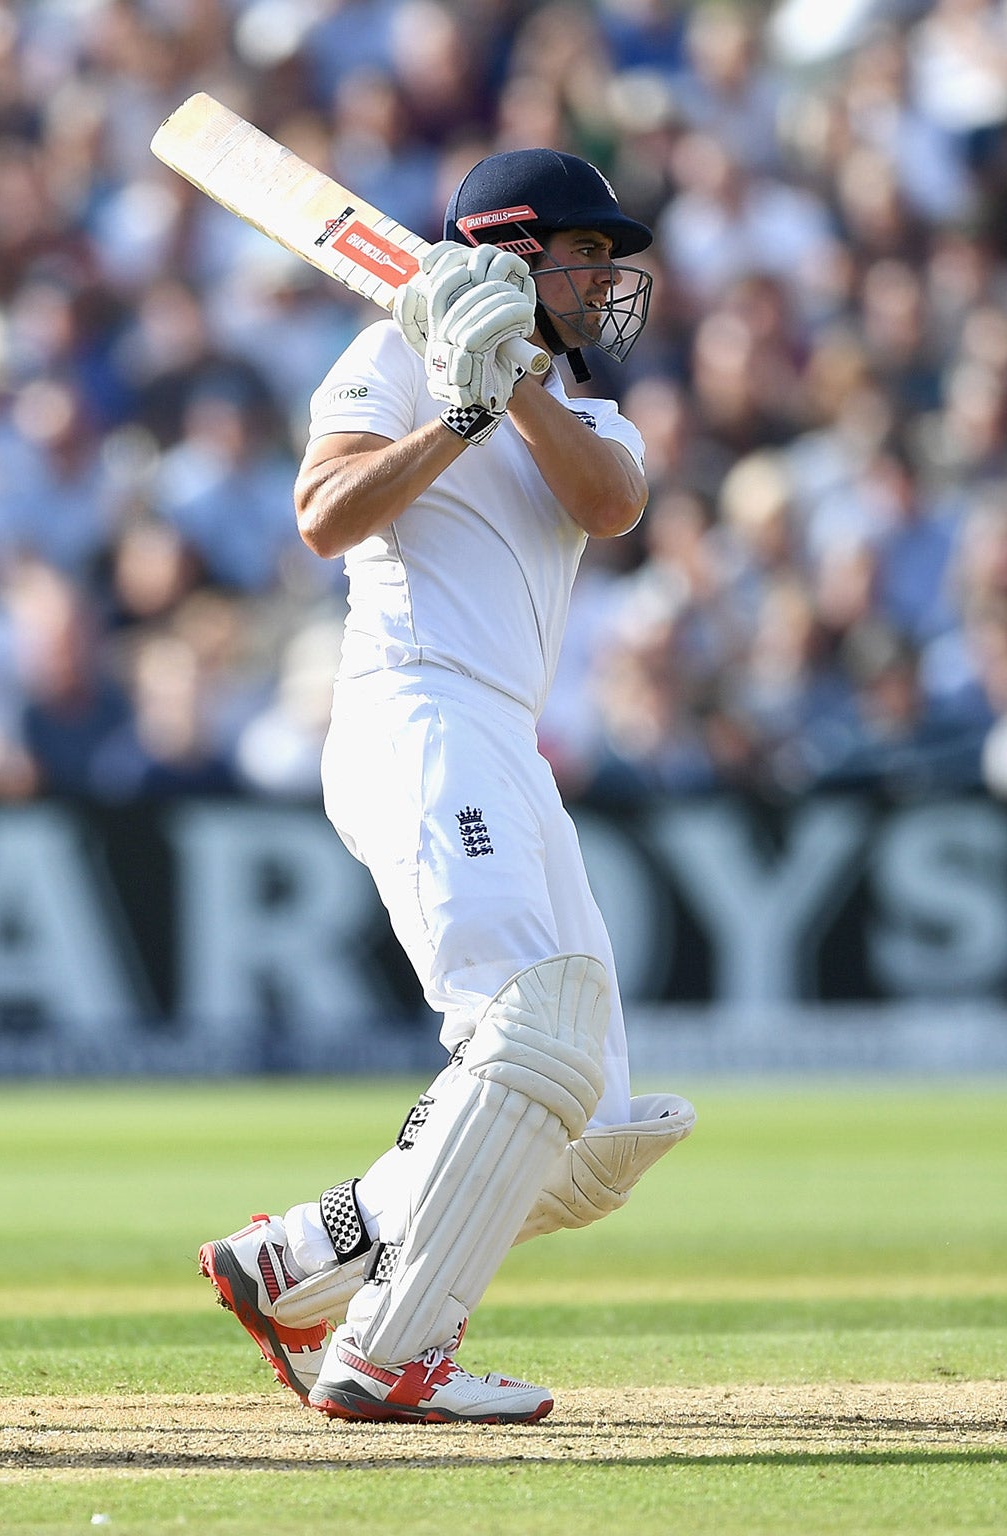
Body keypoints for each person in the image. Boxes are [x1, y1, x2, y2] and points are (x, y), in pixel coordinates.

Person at [198, 151, 697, 1424]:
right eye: (583, 253)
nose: (604, 280)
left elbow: (609, 503)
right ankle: (388, 1350)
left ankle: (297, 1259)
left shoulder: (583, 409)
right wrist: (455, 415)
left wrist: (511, 380)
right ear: (515, 255)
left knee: (594, 1128)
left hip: (502, 743)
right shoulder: (387, 355)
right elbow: (323, 516)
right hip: (415, 711)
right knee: (524, 1029)